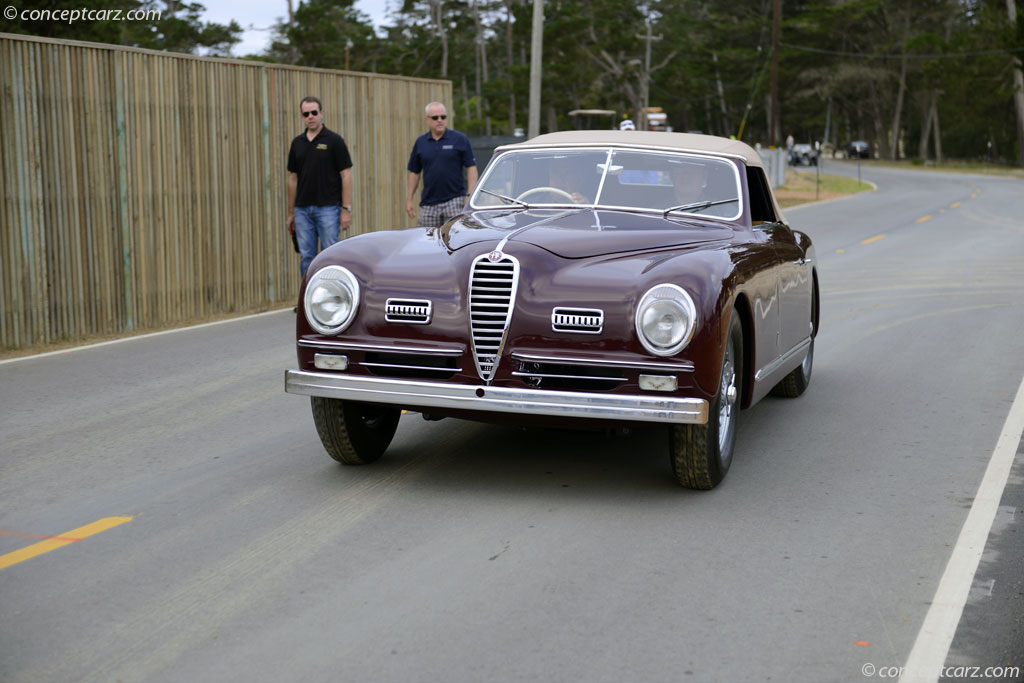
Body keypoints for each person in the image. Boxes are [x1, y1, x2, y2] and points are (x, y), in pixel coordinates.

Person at [287, 96, 353, 278]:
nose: (311, 117)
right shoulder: (297, 143)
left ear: (321, 114)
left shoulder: (334, 141)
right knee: (306, 257)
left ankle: (332, 300)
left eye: (314, 113)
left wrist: (346, 209)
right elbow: (293, 178)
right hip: (302, 210)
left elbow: (346, 175)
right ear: (302, 116)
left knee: (330, 255)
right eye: (306, 114)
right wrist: (291, 212)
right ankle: (307, 301)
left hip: (329, 208)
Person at [406, 102, 478, 227]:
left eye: (443, 117)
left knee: (456, 241)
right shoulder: (421, 142)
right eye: (435, 117)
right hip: (428, 204)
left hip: (455, 201)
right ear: (427, 120)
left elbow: (471, 167)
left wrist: (470, 195)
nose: (440, 120)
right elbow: (414, 171)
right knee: (426, 241)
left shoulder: (460, 139)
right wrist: (409, 199)